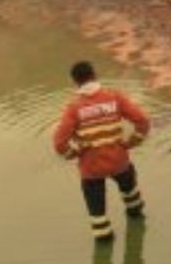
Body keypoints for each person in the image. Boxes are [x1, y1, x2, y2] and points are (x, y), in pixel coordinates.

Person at [52, 61, 150, 242]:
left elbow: (59, 143)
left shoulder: (74, 108)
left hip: (91, 167)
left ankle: (104, 238)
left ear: (75, 82)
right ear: (95, 75)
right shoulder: (115, 97)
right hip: (119, 160)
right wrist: (132, 142)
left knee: (97, 211)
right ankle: (135, 215)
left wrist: (74, 154)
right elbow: (143, 121)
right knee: (130, 191)